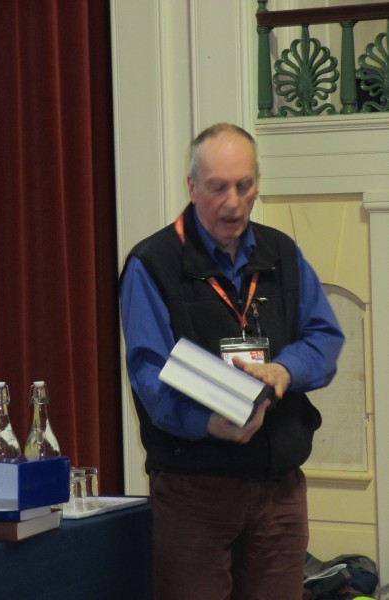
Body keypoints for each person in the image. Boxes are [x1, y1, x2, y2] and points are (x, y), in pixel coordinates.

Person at [119, 123, 344, 600]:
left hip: (279, 489)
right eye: (218, 187)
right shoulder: (152, 263)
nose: (234, 203)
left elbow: (324, 337)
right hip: (194, 492)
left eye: (244, 185)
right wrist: (207, 423)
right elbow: (149, 376)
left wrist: (284, 370)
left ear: (258, 183)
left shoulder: (281, 253)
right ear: (192, 187)